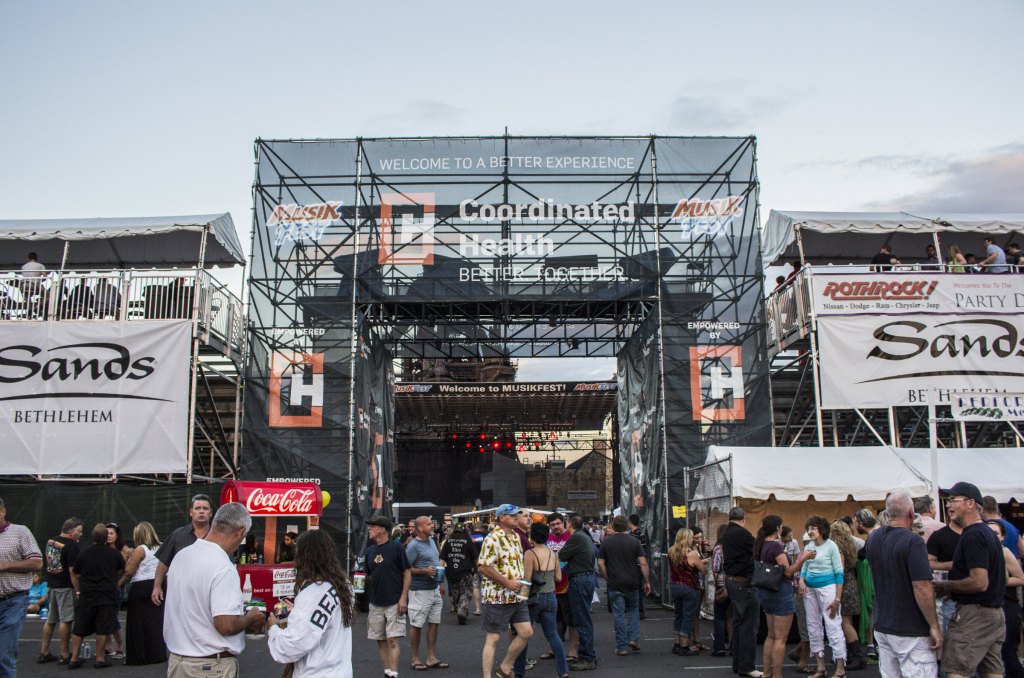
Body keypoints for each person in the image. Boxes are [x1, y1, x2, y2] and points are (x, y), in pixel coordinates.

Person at [163, 503, 265, 678]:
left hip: (178, 661)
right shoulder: (223, 566)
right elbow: (225, 625)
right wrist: (250, 618)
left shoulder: (181, 556)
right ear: (239, 532)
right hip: (210, 666)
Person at [864, 492, 942, 678]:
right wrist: (934, 625)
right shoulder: (913, 541)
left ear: (887, 513)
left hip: (883, 624)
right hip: (911, 628)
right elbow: (921, 587)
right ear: (911, 513)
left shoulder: (874, 538)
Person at [932, 482, 1006, 678]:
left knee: (956, 671)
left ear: (971, 503)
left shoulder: (973, 535)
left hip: (975, 615)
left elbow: (979, 582)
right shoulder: (987, 533)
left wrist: (945, 586)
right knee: (992, 671)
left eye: (952, 500)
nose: (948, 505)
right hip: (993, 614)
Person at [267, 530, 355, 678]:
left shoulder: (313, 592)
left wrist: (273, 627)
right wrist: (298, 612)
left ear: (305, 555)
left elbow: (293, 644)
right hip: (341, 671)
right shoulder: (344, 585)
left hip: (316, 673)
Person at [756, 515, 816, 678]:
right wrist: (803, 558)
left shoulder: (760, 544)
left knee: (771, 635)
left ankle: (767, 672)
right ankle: (777, 675)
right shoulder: (775, 546)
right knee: (780, 639)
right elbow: (788, 571)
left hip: (765, 591)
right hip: (780, 591)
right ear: (778, 529)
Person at [477, 504, 533, 678]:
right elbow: (483, 567)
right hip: (497, 596)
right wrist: (507, 583)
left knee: (526, 632)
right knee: (493, 639)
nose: (516, 517)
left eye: (517, 515)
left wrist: (523, 586)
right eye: (512, 515)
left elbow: (517, 564)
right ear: (501, 517)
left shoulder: (516, 536)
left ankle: (506, 666)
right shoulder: (492, 538)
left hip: (516, 596)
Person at [67, 523, 125, 669]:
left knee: (79, 627)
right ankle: (100, 658)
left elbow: (76, 572)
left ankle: (74, 658)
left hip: (87, 595)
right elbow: (120, 571)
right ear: (106, 537)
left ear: (92, 537)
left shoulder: (84, 553)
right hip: (106, 595)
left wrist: (79, 590)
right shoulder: (114, 553)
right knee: (103, 628)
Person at [0, 497, 44, 677]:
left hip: (13, 600)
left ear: (2, 511)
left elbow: (37, 563)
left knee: (3, 655)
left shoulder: (20, 532)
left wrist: (5, 565)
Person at [799, 515, 847, 678]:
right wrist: (801, 580)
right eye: (808, 528)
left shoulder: (831, 546)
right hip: (810, 591)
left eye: (813, 528)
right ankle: (821, 668)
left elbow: (839, 573)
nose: (810, 531)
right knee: (813, 627)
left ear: (822, 529)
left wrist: (837, 599)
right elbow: (804, 566)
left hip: (828, 588)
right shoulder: (809, 547)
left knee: (832, 625)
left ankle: (840, 669)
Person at [364, 515, 411, 678]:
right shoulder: (369, 551)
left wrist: (403, 598)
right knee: (380, 639)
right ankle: (387, 671)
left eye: (373, 526)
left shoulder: (396, 548)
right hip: (376, 602)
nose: (369, 529)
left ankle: (394, 673)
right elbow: (368, 575)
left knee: (392, 639)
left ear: (382, 529)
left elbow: (407, 572)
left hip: (394, 601)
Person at [597, 516, 649, 656]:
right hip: (632, 582)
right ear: (627, 526)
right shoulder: (635, 541)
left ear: (614, 526)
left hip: (615, 583)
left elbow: (600, 563)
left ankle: (621, 646)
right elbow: (643, 563)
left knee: (618, 614)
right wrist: (647, 582)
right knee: (633, 610)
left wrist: (608, 578)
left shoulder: (606, 543)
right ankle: (633, 639)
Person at [522, 522, 569, 678]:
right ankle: (563, 671)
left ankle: (518, 670)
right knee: (553, 635)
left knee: (524, 634)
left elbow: (527, 580)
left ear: (532, 537)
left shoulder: (530, 554)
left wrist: (521, 598)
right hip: (551, 596)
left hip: (535, 597)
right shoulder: (553, 554)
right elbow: (558, 577)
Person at [151, 494, 213, 606]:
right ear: (191, 512)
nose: (201, 511)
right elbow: (163, 563)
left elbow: (229, 564)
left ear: (211, 513)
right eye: (197, 508)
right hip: (181, 596)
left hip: (210, 594)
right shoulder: (177, 535)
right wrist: (157, 587)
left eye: (205, 508)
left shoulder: (219, 537)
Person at [722, 507, 761, 677]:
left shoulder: (727, 533)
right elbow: (758, 550)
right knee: (748, 626)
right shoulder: (743, 534)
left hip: (732, 580)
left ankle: (738, 663)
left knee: (738, 623)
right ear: (744, 519)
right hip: (742, 582)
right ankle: (747, 666)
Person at [405, 516, 448, 671]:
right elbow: (405, 569)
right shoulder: (413, 546)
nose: (432, 525)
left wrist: (440, 584)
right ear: (420, 528)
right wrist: (423, 570)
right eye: (429, 524)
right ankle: (415, 659)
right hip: (419, 590)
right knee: (417, 624)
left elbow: (436, 564)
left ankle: (431, 657)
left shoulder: (431, 541)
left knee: (434, 622)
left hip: (434, 588)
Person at [121, 522, 165, 666]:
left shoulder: (141, 549)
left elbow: (129, 570)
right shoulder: (161, 546)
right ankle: (156, 654)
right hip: (159, 584)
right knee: (155, 622)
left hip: (142, 586)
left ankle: (138, 657)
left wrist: (129, 555)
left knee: (138, 624)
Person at [39, 517, 82, 665]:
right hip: (65, 586)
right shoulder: (71, 546)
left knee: (50, 619)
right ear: (71, 532)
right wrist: (78, 590)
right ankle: (64, 654)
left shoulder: (51, 542)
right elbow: (72, 571)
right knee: (66, 619)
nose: (80, 535)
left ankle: (44, 652)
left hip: (51, 584)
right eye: (79, 532)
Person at [985, 520, 1024, 678]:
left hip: (1008, 607)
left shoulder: (1004, 551)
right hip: (989, 609)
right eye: (988, 533)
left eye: (995, 533)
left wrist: (1001, 579)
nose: (992, 536)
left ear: (1002, 537)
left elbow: (1021, 579)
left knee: (1007, 652)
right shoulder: (981, 552)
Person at [557, 514, 596, 671]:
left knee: (581, 620)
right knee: (583, 618)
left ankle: (587, 658)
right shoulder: (584, 536)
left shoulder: (576, 538)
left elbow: (562, 555)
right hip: (586, 579)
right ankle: (587, 655)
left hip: (579, 580)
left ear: (569, 525)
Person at [830, 520, 867, 670]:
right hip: (851, 584)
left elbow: (839, 571)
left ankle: (858, 655)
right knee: (848, 622)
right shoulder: (851, 547)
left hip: (843, 587)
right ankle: (852, 654)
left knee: (845, 622)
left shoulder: (838, 549)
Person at [545, 513, 578, 664]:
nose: (556, 527)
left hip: (568, 585)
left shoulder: (571, 538)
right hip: (551, 587)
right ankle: (555, 649)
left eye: (558, 523)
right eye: (552, 525)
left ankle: (573, 650)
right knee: (555, 619)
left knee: (571, 619)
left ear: (564, 523)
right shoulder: (547, 540)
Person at [668, 528, 705, 656]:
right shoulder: (691, 554)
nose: (692, 540)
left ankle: (676, 644)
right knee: (688, 615)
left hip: (675, 586)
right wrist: (702, 563)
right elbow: (703, 570)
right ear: (686, 539)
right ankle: (685, 646)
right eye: (691, 538)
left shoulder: (671, 551)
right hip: (689, 586)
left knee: (678, 614)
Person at [926, 512, 961, 632]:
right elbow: (927, 563)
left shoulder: (976, 534)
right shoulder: (939, 535)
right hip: (951, 592)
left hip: (977, 595)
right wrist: (951, 565)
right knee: (950, 632)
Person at [439, 522, 480, 624]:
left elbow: (441, 560)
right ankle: (462, 610)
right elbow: (475, 558)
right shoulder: (468, 542)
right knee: (466, 593)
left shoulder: (448, 542)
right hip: (465, 571)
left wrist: (440, 575)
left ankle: (458, 609)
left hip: (451, 572)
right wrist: (478, 568)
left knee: (455, 593)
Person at [852, 509, 879, 661]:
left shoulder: (875, 537)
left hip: (876, 584)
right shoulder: (875, 536)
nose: (855, 526)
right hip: (876, 584)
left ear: (861, 524)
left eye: (856, 523)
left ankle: (875, 646)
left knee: (873, 614)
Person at [783, 526, 810, 668]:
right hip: (802, 595)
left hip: (803, 594)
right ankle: (802, 662)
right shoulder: (805, 556)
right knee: (807, 629)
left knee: (810, 629)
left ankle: (796, 652)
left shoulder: (802, 555)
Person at [103, 523, 130, 659]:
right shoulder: (102, 548)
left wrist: (119, 583)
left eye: (111, 533)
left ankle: (120, 647)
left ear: (117, 535)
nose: (109, 536)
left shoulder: (124, 550)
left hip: (117, 588)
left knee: (113, 617)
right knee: (104, 616)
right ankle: (108, 646)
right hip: (103, 588)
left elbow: (128, 571)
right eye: (106, 533)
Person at [628, 515, 648, 620]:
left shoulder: (634, 536)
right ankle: (639, 609)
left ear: (630, 522)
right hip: (639, 566)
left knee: (636, 589)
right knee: (638, 588)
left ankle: (638, 609)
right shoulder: (640, 534)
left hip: (636, 566)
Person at [471, 522, 488, 617]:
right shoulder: (486, 535)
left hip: (473, 564)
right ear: (482, 528)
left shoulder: (470, 537)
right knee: (486, 585)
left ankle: (477, 609)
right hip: (485, 564)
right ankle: (486, 607)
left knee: (475, 585)